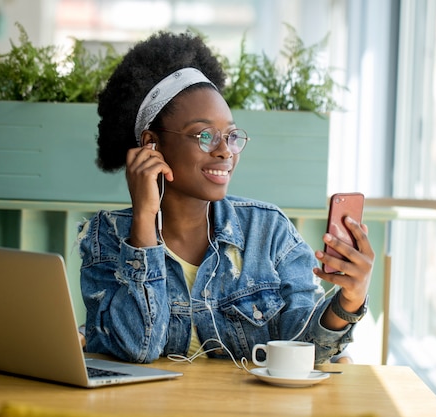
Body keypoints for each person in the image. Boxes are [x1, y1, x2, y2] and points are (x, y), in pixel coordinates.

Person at [77, 30, 374, 365]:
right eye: (204, 135)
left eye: (231, 136)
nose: (224, 151)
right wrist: (144, 222)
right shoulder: (106, 237)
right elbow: (137, 347)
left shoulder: (269, 231)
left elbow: (304, 350)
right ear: (152, 144)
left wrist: (350, 299)